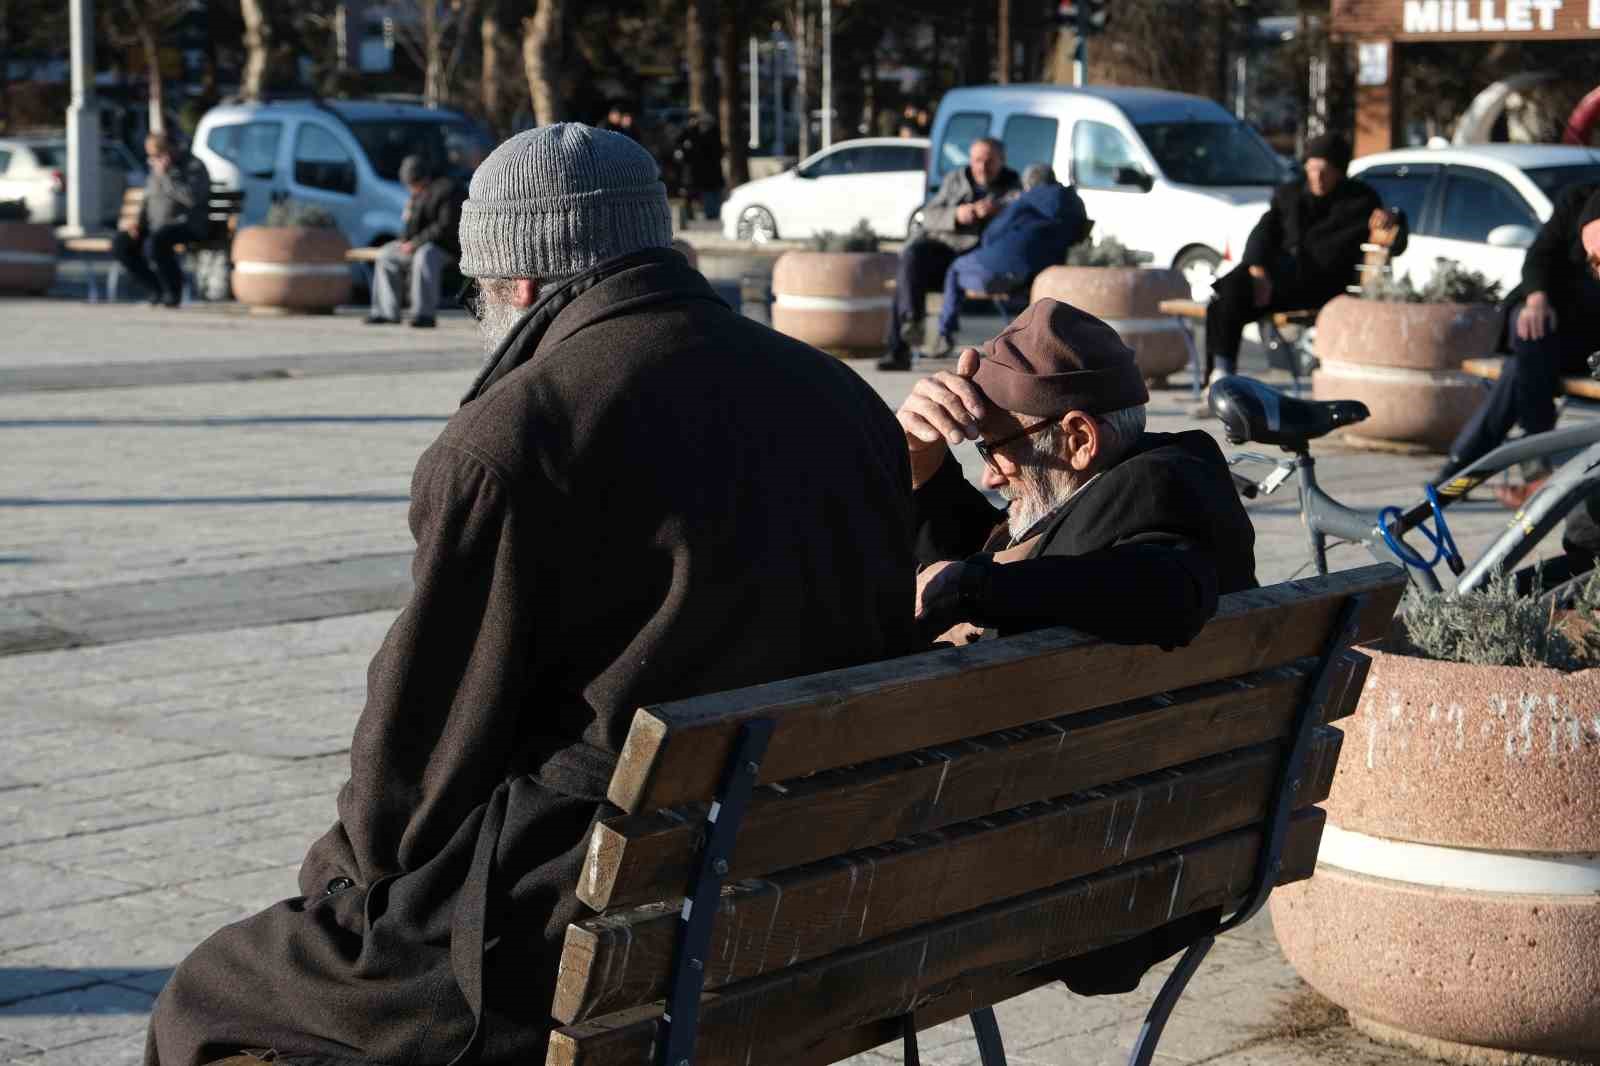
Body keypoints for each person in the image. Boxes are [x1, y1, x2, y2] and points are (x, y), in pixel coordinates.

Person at [144, 124, 917, 1066]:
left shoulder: (515, 439)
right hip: (816, 903)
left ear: (516, 282)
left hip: (586, 930)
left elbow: (417, 765)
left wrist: (347, 885)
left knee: (210, 990)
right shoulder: (840, 397)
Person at [897, 297, 1257, 650]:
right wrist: (920, 464)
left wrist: (971, 589)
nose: (989, 479)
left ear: (1080, 439)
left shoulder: (1159, 489)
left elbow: (1165, 588)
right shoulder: (1107, 493)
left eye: (994, 450)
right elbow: (1013, 555)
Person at [1438, 180, 1600, 502]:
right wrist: (1537, 299)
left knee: (1519, 370)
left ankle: (1461, 470)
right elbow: (1538, 256)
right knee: (1530, 331)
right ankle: (1533, 463)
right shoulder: (1577, 200)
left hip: (1585, 343)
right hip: (1548, 318)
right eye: (1593, 257)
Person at [1203, 134, 1404, 382]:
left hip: (1317, 286)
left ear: (1340, 171)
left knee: (1228, 296)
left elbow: (1398, 236)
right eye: (1312, 168)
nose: (1317, 177)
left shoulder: (1360, 200)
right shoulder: (1290, 194)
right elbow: (1264, 231)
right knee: (1225, 295)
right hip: (1275, 281)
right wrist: (1257, 268)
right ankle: (1220, 378)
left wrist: (1393, 217)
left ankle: (1221, 380)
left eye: (1325, 170)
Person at [879, 136, 1022, 371]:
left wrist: (997, 212)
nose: (982, 167)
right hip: (946, 250)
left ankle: (903, 342)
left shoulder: (1013, 184)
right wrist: (956, 214)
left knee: (910, 275)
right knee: (911, 259)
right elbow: (929, 215)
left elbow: (1020, 212)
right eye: (977, 160)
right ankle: (909, 327)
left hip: (979, 258)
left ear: (1001, 161)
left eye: (989, 161)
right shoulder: (955, 179)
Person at [929, 164, 1089, 358]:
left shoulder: (1025, 199)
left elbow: (991, 234)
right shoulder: (1073, 202)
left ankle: (944, 334)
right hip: (1041, 271)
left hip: (1000, 267)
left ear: (1029, 183)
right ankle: (1017, 339)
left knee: (955, 269)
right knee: (1015, 290)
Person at [111, 132, 211, 308]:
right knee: (122, 244)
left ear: (170, 150)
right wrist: (138, 223)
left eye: (156, 155)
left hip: (186, 224)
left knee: (157, 241)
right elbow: (148, 199)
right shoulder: (156, 169)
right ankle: (155, 289)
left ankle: (173, 292)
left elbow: (191, 198)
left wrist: (167, 176)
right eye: (150, 156)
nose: (153, 159)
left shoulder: (193, 166)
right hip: (156, 225)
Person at [365, 154, 466, 328]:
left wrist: (415, 244)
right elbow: (408, 235)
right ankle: (385, 312)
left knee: (425, 255)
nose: (410, 188)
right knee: (386, 254)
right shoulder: (417, 195)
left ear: (423, 178)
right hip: (419, 245)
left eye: (412, 184)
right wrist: (409, 216)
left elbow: (444, 227)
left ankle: (423, 314)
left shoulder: (448, 189)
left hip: (448, 248)